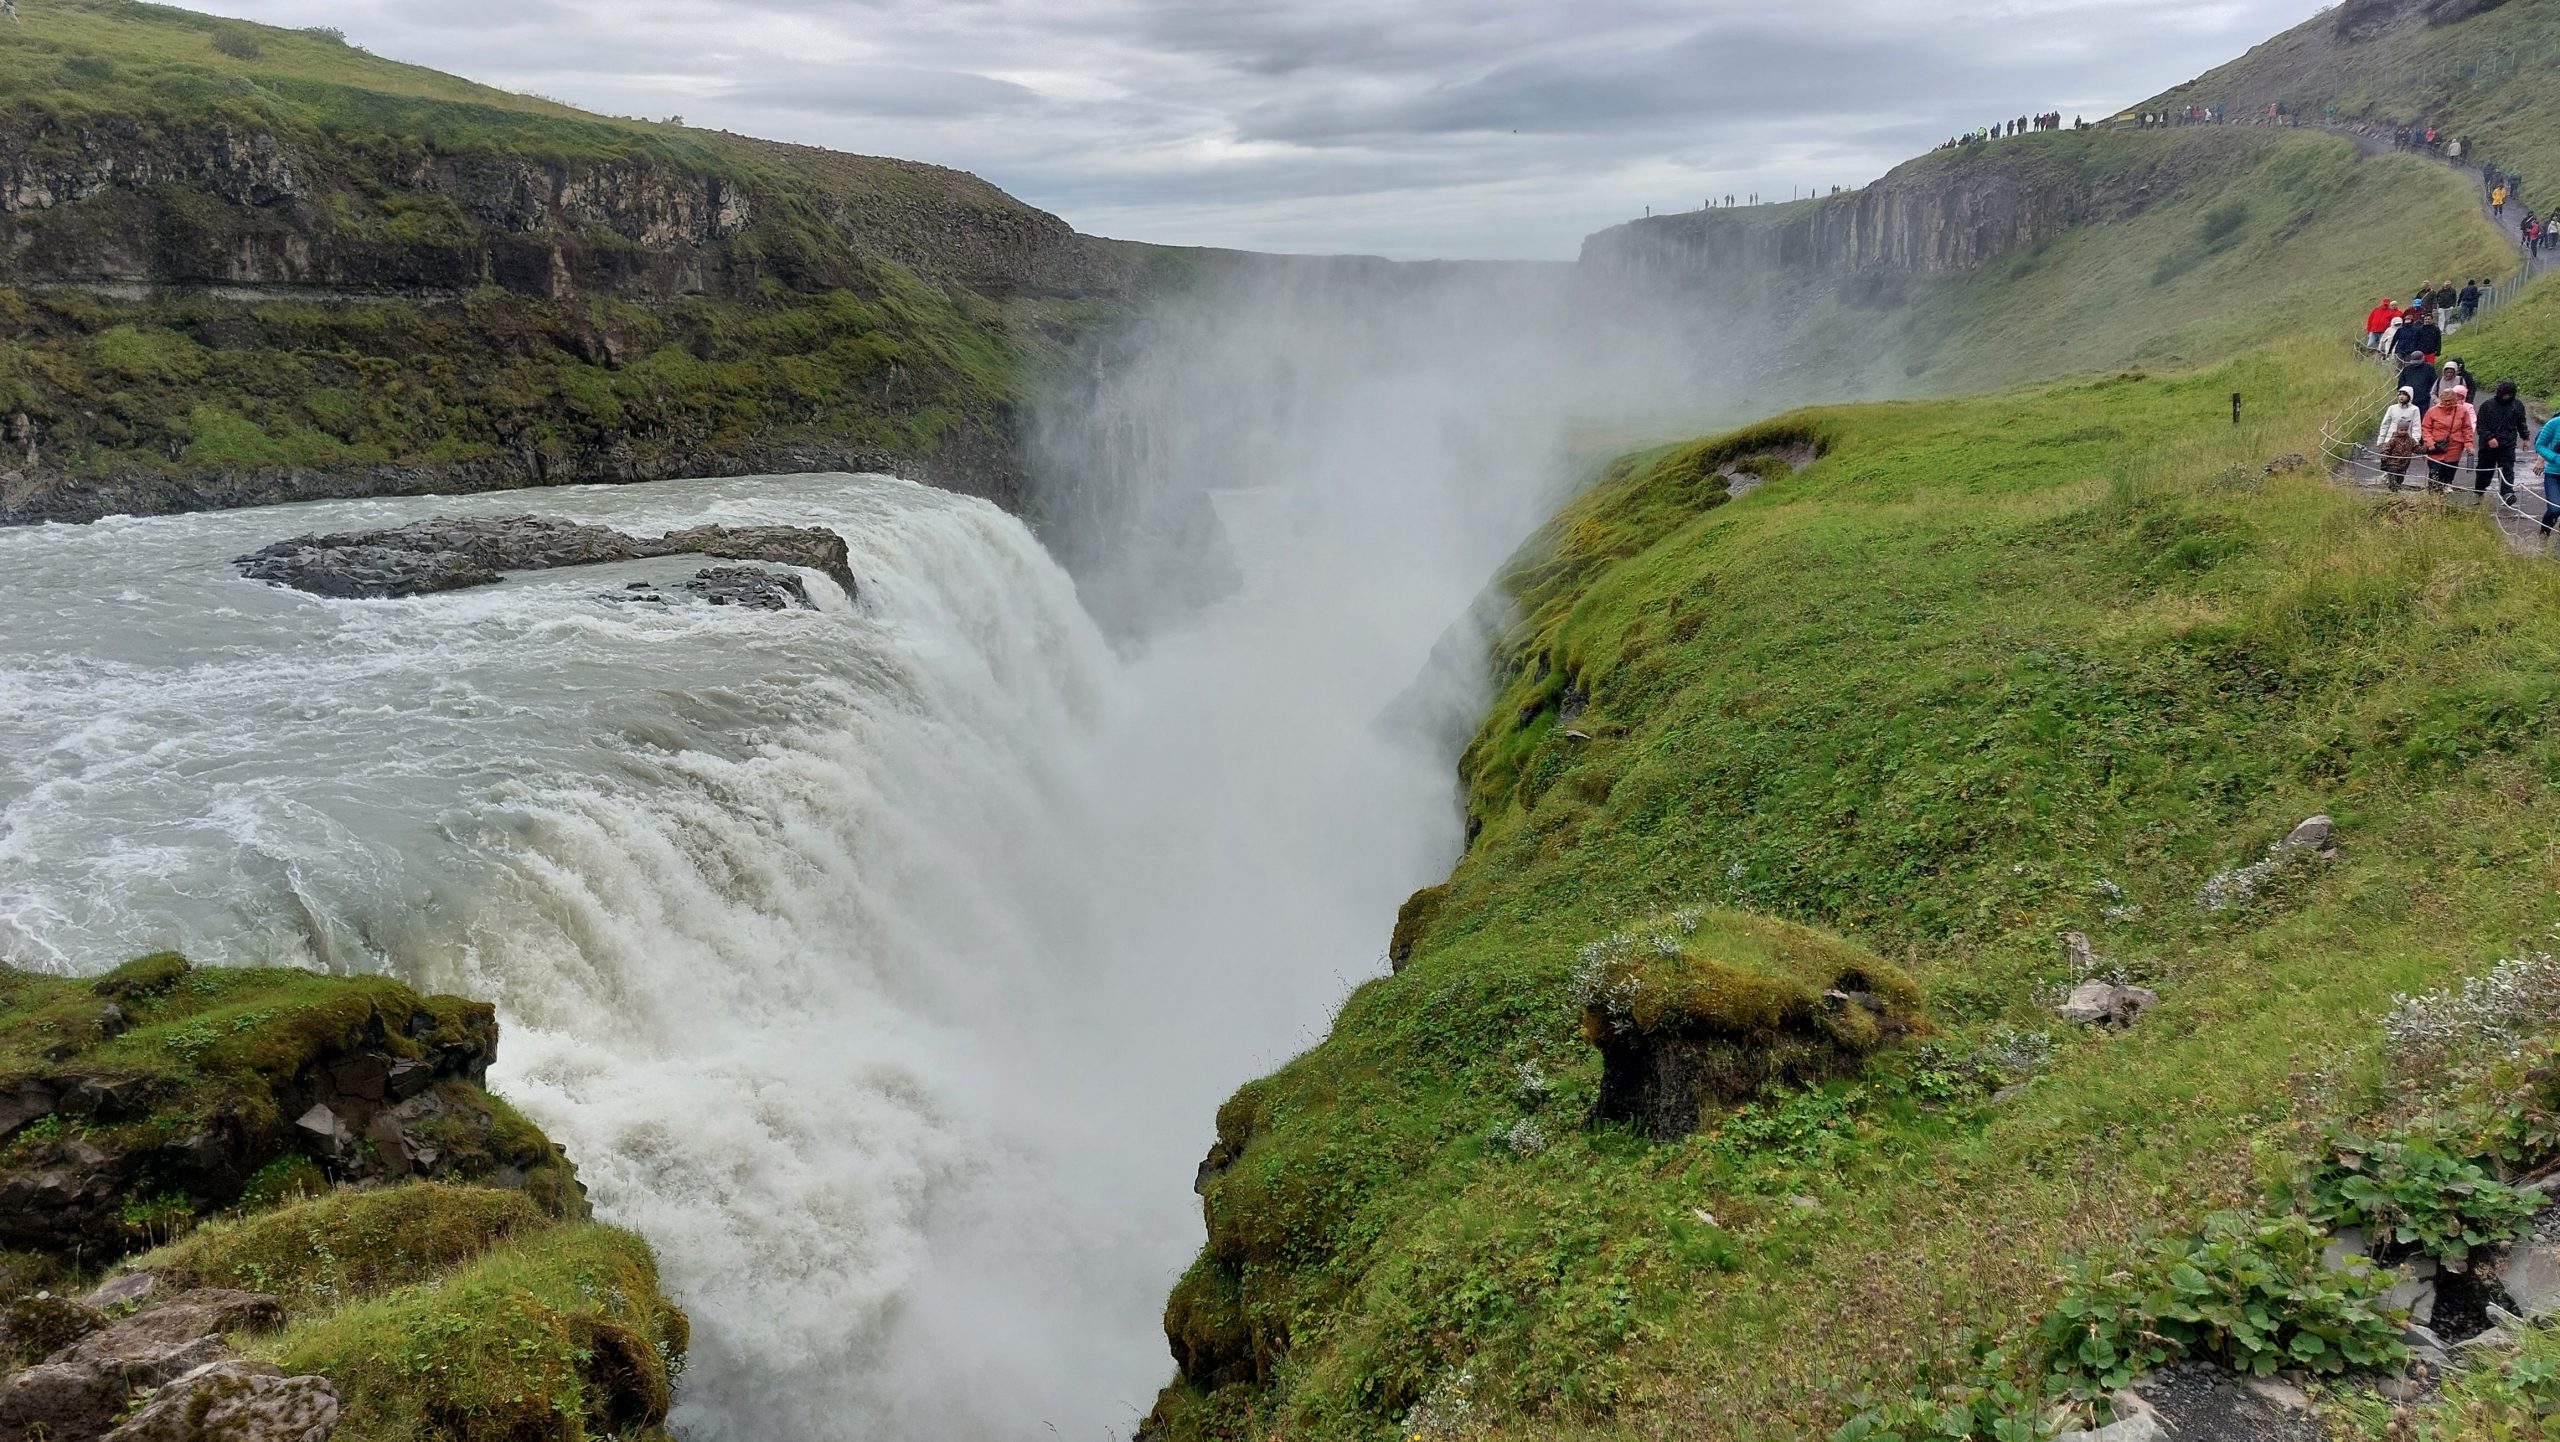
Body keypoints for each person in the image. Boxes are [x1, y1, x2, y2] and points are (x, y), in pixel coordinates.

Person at [2477, 379, 2530, 505]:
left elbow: (2521, 422)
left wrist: (2525, 438)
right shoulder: (2487, 405)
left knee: (2507, 469)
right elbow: (2481, 425)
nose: (2506, 396)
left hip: (2508, 443)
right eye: (2504, 393)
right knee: (2485, 470)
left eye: (2509, 394)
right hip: (2488, 446)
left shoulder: (2517, 405)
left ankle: (2507, 493)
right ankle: (2479, 492)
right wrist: (2489, 438)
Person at [2422, 384, 2476, 494]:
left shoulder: (2463, 411)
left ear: (2455, 399)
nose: (2447, 403)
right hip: (2436, 447)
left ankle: (2446, 487)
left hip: (2454, 447)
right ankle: (2433, 493)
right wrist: (2430, 442)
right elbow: (2425, 428)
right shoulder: (2432, 411)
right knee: (2435, 472)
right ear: (2440, 399)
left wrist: (2468, 443)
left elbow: (2467, 428)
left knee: (2449, 471)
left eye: (2450, 400)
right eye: (2445, 400)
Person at [2378, 386, 2424, 492]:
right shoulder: (2392, 408)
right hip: (2391, 439)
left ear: (2410, 396)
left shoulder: (2414, 409)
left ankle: (2397, 481)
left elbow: (2416, 426)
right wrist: (2381, 440)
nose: (2401, 397)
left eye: (2404, 395)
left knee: (2402, 464)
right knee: (2389, 461)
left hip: (2406, 441)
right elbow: (2385, 424)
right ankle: (2390, 479)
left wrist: (2415, 441)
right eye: (2400, 394)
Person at [2538, 410, 2560, 534]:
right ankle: (2543, 536)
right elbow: (2540, 444)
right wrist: (2555, 458)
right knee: (2554, 509)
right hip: (2554, 474)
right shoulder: (2555, 423)